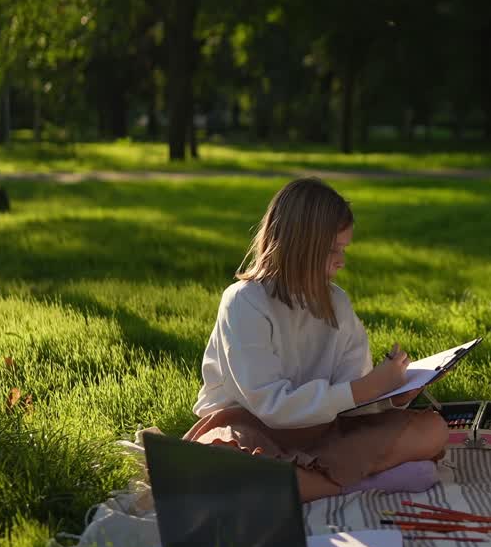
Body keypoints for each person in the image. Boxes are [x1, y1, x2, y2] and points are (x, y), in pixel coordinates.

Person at [185, 177, 448, 502]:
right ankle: (354, 483)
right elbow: (271, 407)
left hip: (324, 432)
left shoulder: (337, 303)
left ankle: (315, 484)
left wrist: (395, 395)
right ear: (298, 245)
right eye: (331, 250)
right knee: (219, 466)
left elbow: (353, 405)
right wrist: (368, 387)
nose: (341, 260)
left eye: (344, 249)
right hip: (250, 429)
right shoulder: (245, 302)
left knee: (433, 428)